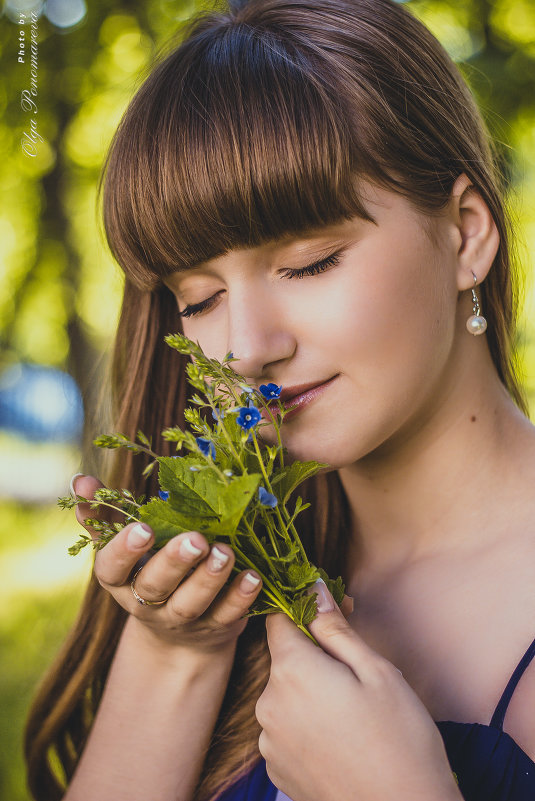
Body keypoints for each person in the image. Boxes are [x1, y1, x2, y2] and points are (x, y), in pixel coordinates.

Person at [24, 0, 535, 799]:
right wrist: (177, 650)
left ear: (466, 232)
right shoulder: (235, 575)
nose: (244, 346)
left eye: (308, 262)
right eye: (197, 298)